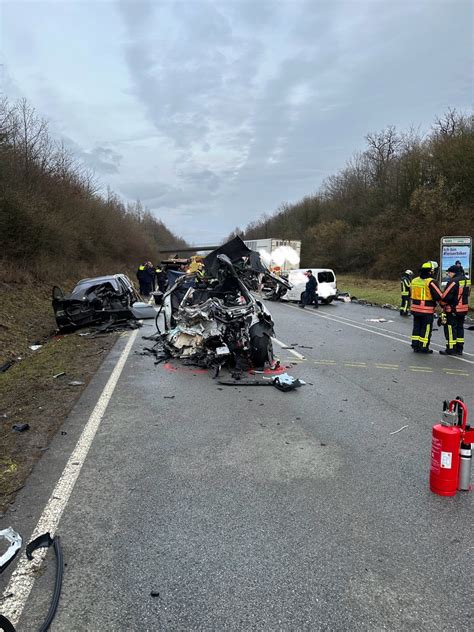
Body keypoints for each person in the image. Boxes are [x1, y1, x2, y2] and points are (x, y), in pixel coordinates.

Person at [410, 262, 444, 353]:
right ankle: (423, 347)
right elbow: (439, 295)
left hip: (415, 309)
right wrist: (443, 305)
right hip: (426, 310)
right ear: (430, 272)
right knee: (426, 328)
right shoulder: (431, 282)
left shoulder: (414, 280)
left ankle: (415, 345)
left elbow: (410, 293)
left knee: (417, 327)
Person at [439, 264, 471, 355]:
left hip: (453, 309)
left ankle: (451, 349)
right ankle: (459, 349)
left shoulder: (453, 281)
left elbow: (446, 296)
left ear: (453, 272)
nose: (448, 274)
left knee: (450, 328)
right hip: (463, 308)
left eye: (449, 273)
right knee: (460, 328)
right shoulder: (467, 280)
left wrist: (441, 304)